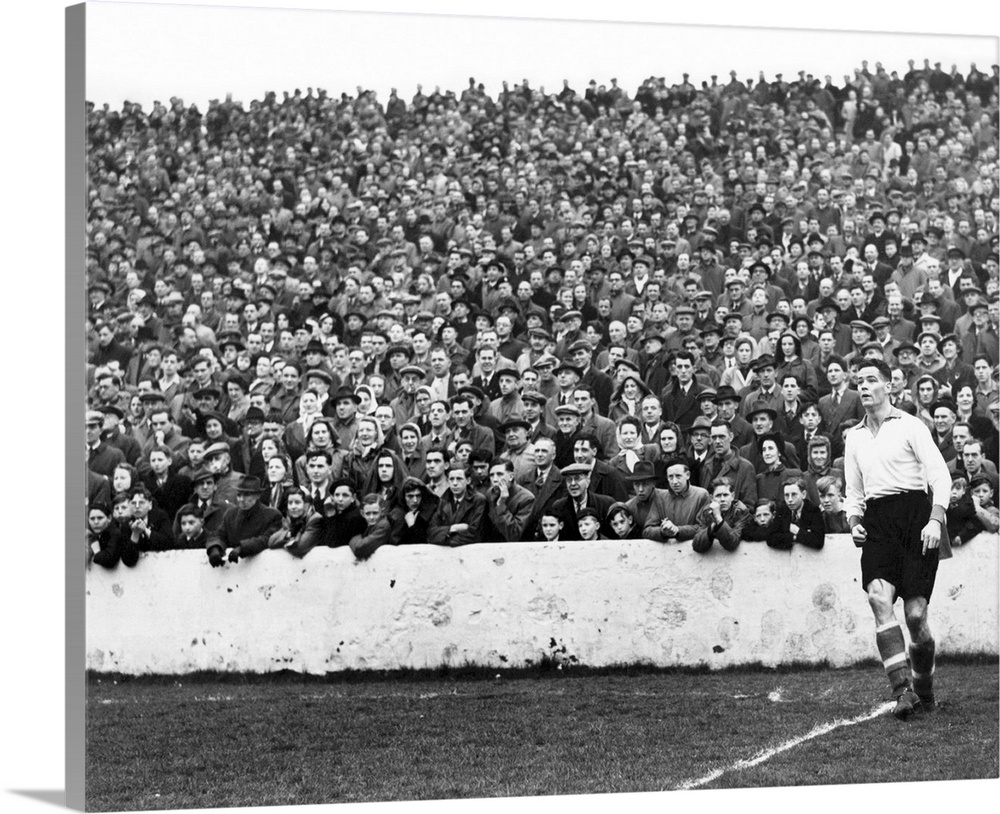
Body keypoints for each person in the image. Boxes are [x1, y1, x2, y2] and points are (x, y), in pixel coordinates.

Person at [844, 358, 952, 720]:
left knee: (916, 616)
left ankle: (924, 690)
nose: (863, 386)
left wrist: (935, 520)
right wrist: (855, 520)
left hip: (915, 518)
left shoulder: (911, 425)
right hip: (878, 521)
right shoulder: (854, 436)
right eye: (859, 381)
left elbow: (940, 476)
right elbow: (853, 491)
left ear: (889, 387)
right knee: (878, 598)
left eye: (871, 380)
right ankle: (902, 690)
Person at [205, 475, 284, 566]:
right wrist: (215, 548)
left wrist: (243, 548)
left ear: (258, 495)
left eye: (247, 495)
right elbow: (219, 535)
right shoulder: (230, 515)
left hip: (264, 568)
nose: (241, 499)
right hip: (234, 571)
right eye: (239, 495)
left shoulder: (272, 516)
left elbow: (266, 539)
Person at [427, 464, 488, 546]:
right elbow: (431, 532)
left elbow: (474, 534)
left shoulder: (478, 500)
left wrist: (444, 538)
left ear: (468, 480)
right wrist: (453, 528)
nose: (455, 483)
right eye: (451, 479)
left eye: (459, 479)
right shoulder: (443, 500)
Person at [692, 476, 751, 553]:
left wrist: (718, 518)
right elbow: (697, 545)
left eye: (726, 495)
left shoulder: (741, 511)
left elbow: (732, 544)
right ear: (712, 498)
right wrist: (712, 527)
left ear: (732, 496)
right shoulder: (706, 511)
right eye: (718, 495)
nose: (722, 499)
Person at [766, 476, 826, 550]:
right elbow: (770, 538)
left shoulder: (813, 510)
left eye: (794, 494)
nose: (790, 499)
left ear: (803, 494)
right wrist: (794, 537)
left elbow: (818, 541)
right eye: (786, 495)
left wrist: (796, 530)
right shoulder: (782, 510)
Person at [484, 458, 535, 542]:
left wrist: (501, 504)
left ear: (511, 476)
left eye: (499, 474)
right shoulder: (490, 493)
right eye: (492, 475)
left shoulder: (526, 498)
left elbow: (514, 535)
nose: (495, 479)